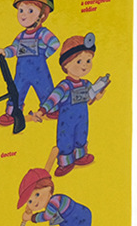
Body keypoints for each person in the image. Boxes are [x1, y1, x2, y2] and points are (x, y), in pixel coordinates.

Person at [32, 34, 108, 176]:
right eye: (79, 61)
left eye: (88, 60)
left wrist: (97, 95)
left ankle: (80, 156)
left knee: (81, 136)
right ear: (66, 65)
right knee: (65, 140)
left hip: (82, 118)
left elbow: (90, 97)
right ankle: (65, 162)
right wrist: (41, 111)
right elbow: (52, 99)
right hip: (66, 121)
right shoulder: (65, 86)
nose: (84, 65)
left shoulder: (86, 84)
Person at [0, 0, 59, 127]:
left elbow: (55, 44)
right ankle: (11, 113)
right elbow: (14, 48)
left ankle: (52, 109)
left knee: (46, 90)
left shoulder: (43, 33)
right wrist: (4, 52)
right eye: (21, 10)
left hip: (40, 72)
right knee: (16, 92)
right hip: (22, 73)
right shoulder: (21, 36)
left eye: (30, 11)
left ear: (42, 15)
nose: (23, 15)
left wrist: (44, 55)